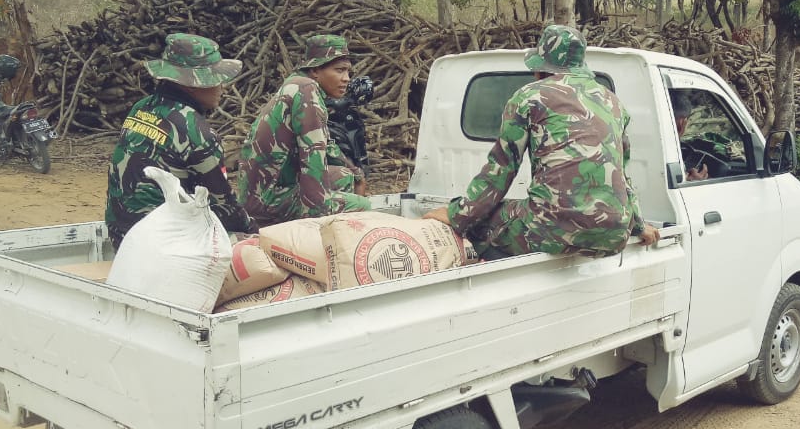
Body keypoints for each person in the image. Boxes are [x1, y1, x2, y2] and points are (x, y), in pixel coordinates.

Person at [423, 24, 658, 259]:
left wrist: (456, 215)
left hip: (548, 231)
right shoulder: (614, 104)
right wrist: (638, 225)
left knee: (481, 223)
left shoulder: (528, 98)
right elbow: (623, 175)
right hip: (615, 234)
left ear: (540, 69)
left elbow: (501, 171)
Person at [105, 33, 252, 249]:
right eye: (215, 79)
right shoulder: (197, 132)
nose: (223, 87)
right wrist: (253, 231)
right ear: (192, 83)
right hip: (160, 246)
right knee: (255, 247)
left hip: (120, 237)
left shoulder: (142, 107)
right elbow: (225, 209)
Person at [238, 34, 370, 228]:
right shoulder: (307, 92)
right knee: (363, 206)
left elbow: (327, 146)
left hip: (263, 191)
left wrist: (357, 174)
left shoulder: (297, 85)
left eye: (348, 72)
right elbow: (313, 161)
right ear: (316, 70)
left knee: (344, 175)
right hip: (269, 201)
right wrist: (319, 220)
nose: (346, 79)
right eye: (339, 71)